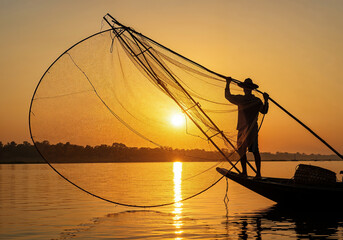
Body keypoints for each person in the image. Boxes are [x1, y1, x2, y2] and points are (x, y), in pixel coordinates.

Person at [225, 77, 269, 178]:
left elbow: (264, 110)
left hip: (250, 129)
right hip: (243, 129)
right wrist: (227, 83)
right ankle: (246, 172)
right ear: (244, 89)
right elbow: (228, 96)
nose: (246, 90)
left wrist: (266, 100)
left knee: (253, 151)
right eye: (246, 88)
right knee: (243, 151)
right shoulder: (245, 99)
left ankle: (256, 173)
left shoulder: (254, 101)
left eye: (247, 88)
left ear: (250, 89)